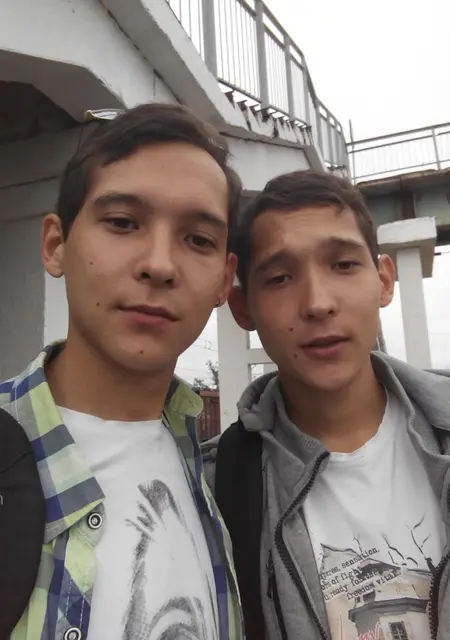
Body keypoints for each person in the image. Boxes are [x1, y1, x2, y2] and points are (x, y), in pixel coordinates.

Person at [1, 103, 244, 640]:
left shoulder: (220, 478)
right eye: (123, 223)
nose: (159, 264)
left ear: (224, 281)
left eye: (198, 240)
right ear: (56, 245)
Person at [203, 170, 450, 640]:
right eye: (280, 277)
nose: (317, 303)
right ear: (242, 307)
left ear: (384, 280)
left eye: (343, 265)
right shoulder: (217, 488)